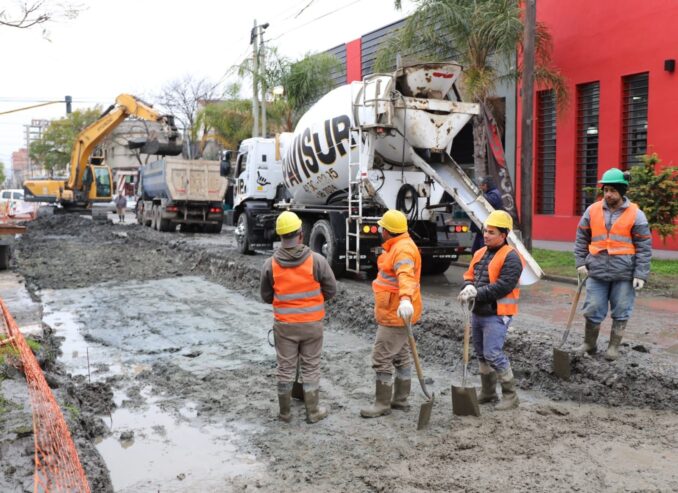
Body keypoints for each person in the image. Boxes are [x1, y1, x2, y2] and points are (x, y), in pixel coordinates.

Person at [260, 211, 337, 423]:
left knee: (285, 367)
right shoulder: (317, 260)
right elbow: (331, 290)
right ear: (300, 235)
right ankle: (313, 412)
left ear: (280, 236)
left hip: (285, 326)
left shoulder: (270, 264)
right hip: (312, 325)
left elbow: (266, 296)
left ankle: (285, 413)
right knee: (310, 366)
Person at [574, 168, 651, 361]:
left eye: (612, 190)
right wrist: (580, 263)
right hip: (597, 271)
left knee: (622, 309)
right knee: (592, 308)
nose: (608, 194)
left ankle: (613, 347)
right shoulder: (592, 211)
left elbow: (644, 246)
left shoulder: (636, 214)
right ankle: (589, 343)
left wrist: (640, 274)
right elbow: (581, 238)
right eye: (606, 189)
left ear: (622, 191)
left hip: (624, 273)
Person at [459, 210, 523, 410]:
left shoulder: (512, 257)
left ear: (503, 235)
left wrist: (476, 293)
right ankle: (488, 392)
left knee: (493, 354)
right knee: (481, 354)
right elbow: (469, 275)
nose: (486, 235)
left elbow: (504, 285)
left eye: (491, 232)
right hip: (478, 312)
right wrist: (468, 286)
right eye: (486, 230)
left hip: (498, 313)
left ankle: (511, 396)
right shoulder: (480, 253)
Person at [361, 210, 422, 418]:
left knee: (381, 357)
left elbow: (406, 277)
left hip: (396, 313)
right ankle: (401, 400)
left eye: (381, 227)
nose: (379, 230)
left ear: (387, 231)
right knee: (401, 356)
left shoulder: (402, 251)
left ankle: (382, 403)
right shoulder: (397, 246)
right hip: (395, 311)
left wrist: (405, 299)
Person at [471, 176, 504, 254]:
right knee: (476, 251)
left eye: (481, 185)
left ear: (486, 185)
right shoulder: (491, 193)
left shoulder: (494, 194)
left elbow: (487, 202)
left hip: (488, 227)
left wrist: (479, 194)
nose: (481, 187)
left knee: (483, 251)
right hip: (483, 227)